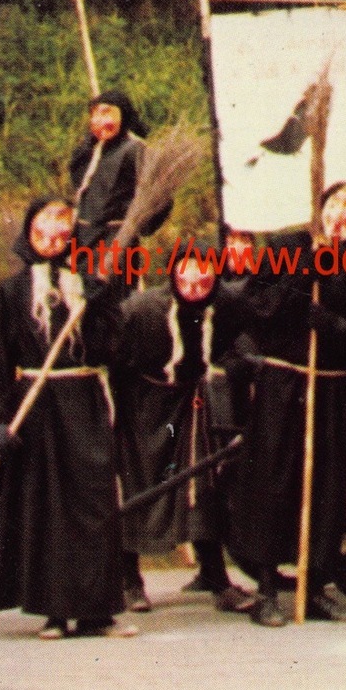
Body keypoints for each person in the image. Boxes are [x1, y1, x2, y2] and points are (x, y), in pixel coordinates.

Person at [0, 198, 134, 639]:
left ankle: (97, 612)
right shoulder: (10, 293)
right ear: (29, 232)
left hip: (85, 402)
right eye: (44, 227)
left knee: (94, 501)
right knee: (47, 507)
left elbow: (113, 350)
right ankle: (54, 611)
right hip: (36, 407)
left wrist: (101, 304)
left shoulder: (89, 284)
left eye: (62, 227)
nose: (53, 237)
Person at [229, 182, 346, 627]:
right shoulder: (287, 246)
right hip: (285, 382)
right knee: (274, 479)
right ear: (321, 206)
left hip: (331, 387)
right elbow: (254, 305)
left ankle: (315, 586)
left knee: (327, 486)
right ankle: (267, 588)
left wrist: (331, 324)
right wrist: (300, 279)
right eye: (336, 203)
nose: (343, 214)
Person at [113, 248, 254, 615]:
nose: (193, 288)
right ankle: (129, 581)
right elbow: (112, 354)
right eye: (186, 279)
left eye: (203, 281)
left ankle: (216, 577)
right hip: (142, 405)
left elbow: (238, 345)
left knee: (200, 487)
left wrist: (238, 364)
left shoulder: (225, 307)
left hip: (190, 403)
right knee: (138, 487)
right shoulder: (142, 309)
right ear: (174, 275)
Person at [67, 90, 170, 254]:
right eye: (94, 114)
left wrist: (136, 222)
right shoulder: (92, 149)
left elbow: (159, 196)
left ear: (123, 115)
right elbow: (80, 187)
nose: (97, 119)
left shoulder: (135, 150)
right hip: (84, 239)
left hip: (116, 243)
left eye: (106, 112)